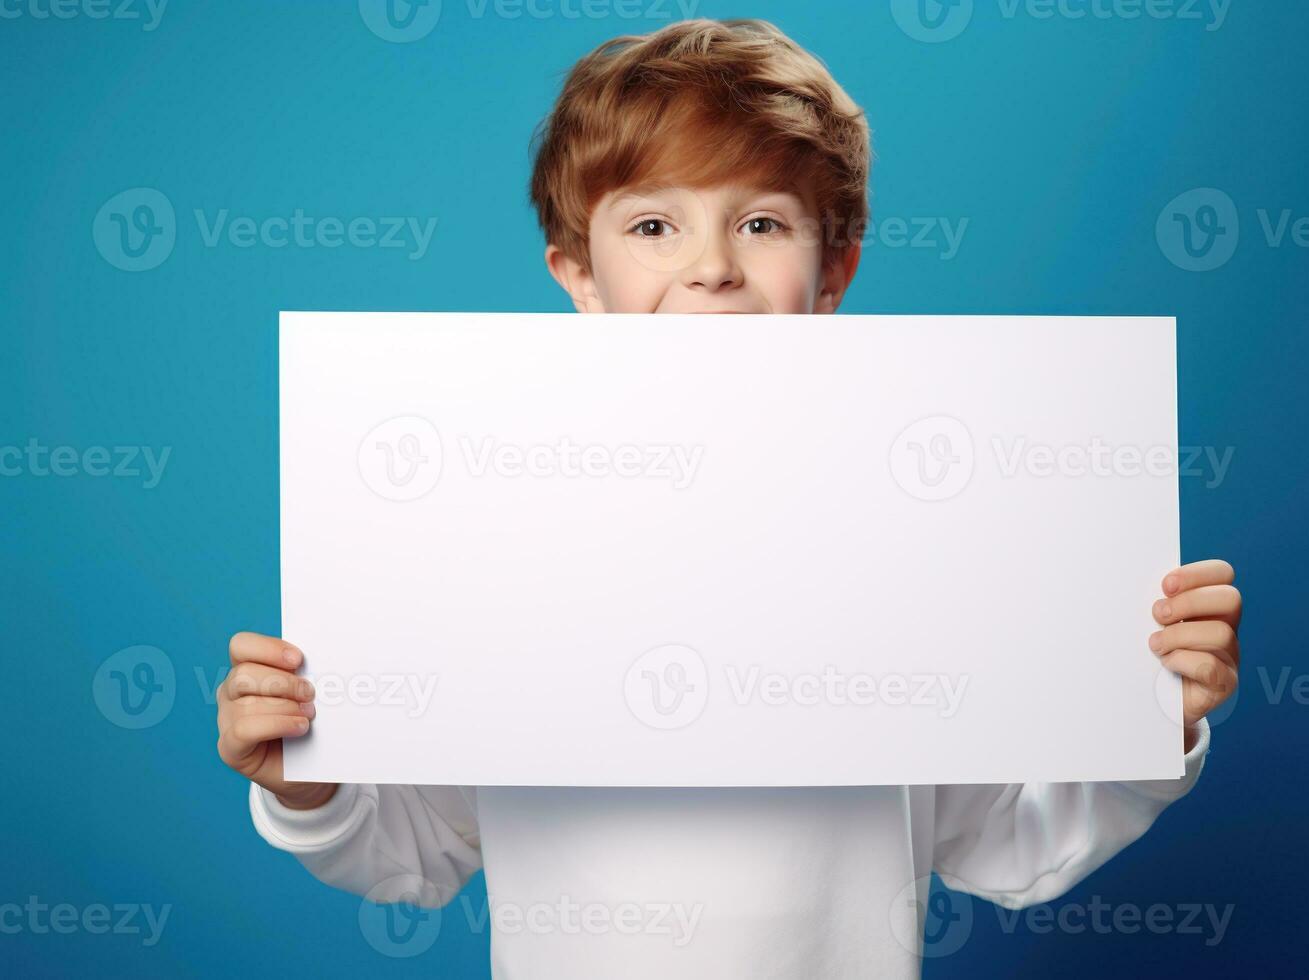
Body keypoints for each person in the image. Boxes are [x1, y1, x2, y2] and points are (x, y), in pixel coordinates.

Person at [218, 19, 1242, 978]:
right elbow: (419, 853)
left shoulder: (912, 544)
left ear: (830, 270)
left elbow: (1009, 842)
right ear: (579, 273)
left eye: (759, 221)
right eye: (655, 223)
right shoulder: (495, 541)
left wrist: (1150, 714)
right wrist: (308, 779)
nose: (710, 267)